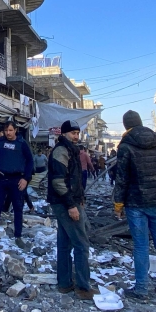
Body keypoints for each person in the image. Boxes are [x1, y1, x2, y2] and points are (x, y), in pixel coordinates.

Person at [112, 110, 156, 299]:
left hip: (136, 202)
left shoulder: (126, 147)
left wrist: (118, 203)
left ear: (126, 125)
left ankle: (141, 289)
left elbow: (122, 178)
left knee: (141, 246)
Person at [49, 120, 93, 300]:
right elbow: (59, 181)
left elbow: (74, 179)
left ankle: (65, 283)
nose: (76, 136)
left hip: (69, 201)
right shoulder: (61, 150)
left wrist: (80, 199)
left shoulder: (72, 150)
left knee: (65, 243)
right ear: (65, 134)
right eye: (72, 133)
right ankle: (83, 287)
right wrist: (71, 205)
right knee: (81, 244)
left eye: (77, 133)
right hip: (64, 203)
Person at [0, 122, 33, 246]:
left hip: (17, 179)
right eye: (6, 130)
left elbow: (30, 162)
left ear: (16, 130)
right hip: (0, 179)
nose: (8, 133)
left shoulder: (22, 144)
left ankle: (18, 237)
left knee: (18, 208)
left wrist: (26, 179)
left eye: (11, 130)